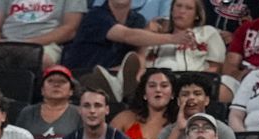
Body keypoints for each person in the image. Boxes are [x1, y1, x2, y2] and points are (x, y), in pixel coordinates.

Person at [61, 0, 192, 103]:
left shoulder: (137, 20)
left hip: (117, 78)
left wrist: (138, 71)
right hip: (83, 75)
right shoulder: (96, 15)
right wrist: (173, 38)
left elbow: (139, 52)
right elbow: (127, 35)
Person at [150, 72, 239, 139]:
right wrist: (178, 129)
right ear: (178, 101)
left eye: (197, 93)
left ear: (206, 100)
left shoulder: (223, 131)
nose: (191, 98)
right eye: (185, 94)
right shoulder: (168, 132)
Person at [15, 65, 81, 139]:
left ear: (71, 90)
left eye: (62, 81)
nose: (56, 84)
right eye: (50, 81)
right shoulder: (27, 113)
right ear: (42, 90)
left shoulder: (79, 114)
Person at [0, 0, 87, 67]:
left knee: (43, 61)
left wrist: (27, 44)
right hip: (4, 43)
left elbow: (70, 29)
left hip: (46, 44)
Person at [110, 67, 177, 139]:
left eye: (164, 86)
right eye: (152, 86)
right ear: (144, 93)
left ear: (173, 94)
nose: (158, 90)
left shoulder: (179, 124)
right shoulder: (124, 118)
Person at [144, 0, 226, 72]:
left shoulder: (208, 33)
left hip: (194, 84)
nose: (182, 11)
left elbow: (216, 67)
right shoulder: (158, 36)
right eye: (178, 6)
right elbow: (143, 62)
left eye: (189, 8)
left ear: (197, 15)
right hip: (158, 84)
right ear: (172, 11)